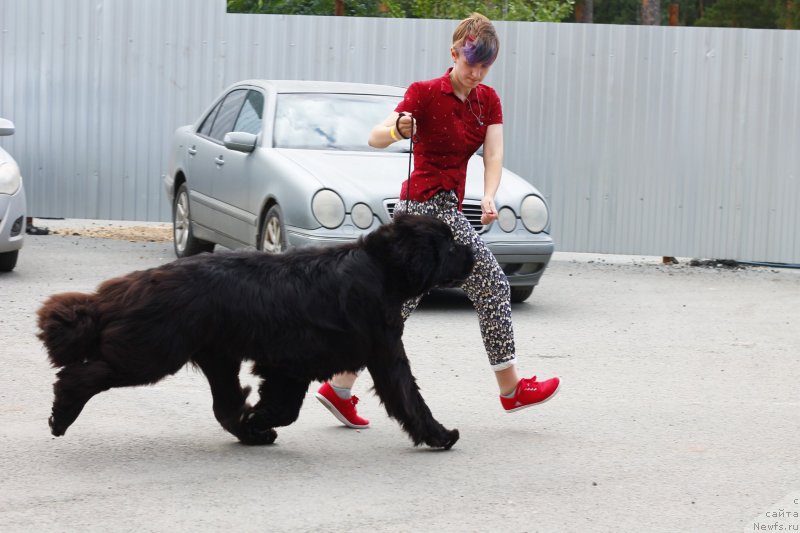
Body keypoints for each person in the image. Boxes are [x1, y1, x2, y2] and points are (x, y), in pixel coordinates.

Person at [314, 12, 561, 429]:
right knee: (493, 284)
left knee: (393, 308)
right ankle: (511, 389)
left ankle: (337, 388)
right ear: (453, 53)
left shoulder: (488, 101)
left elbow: (494, 155)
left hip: (445, 211)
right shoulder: (424, 93)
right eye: (471, 65)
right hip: (424, 212)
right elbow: (375, 136)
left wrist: (487, 195)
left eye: (485, 66)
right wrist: (399, 128)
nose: (477, 74)